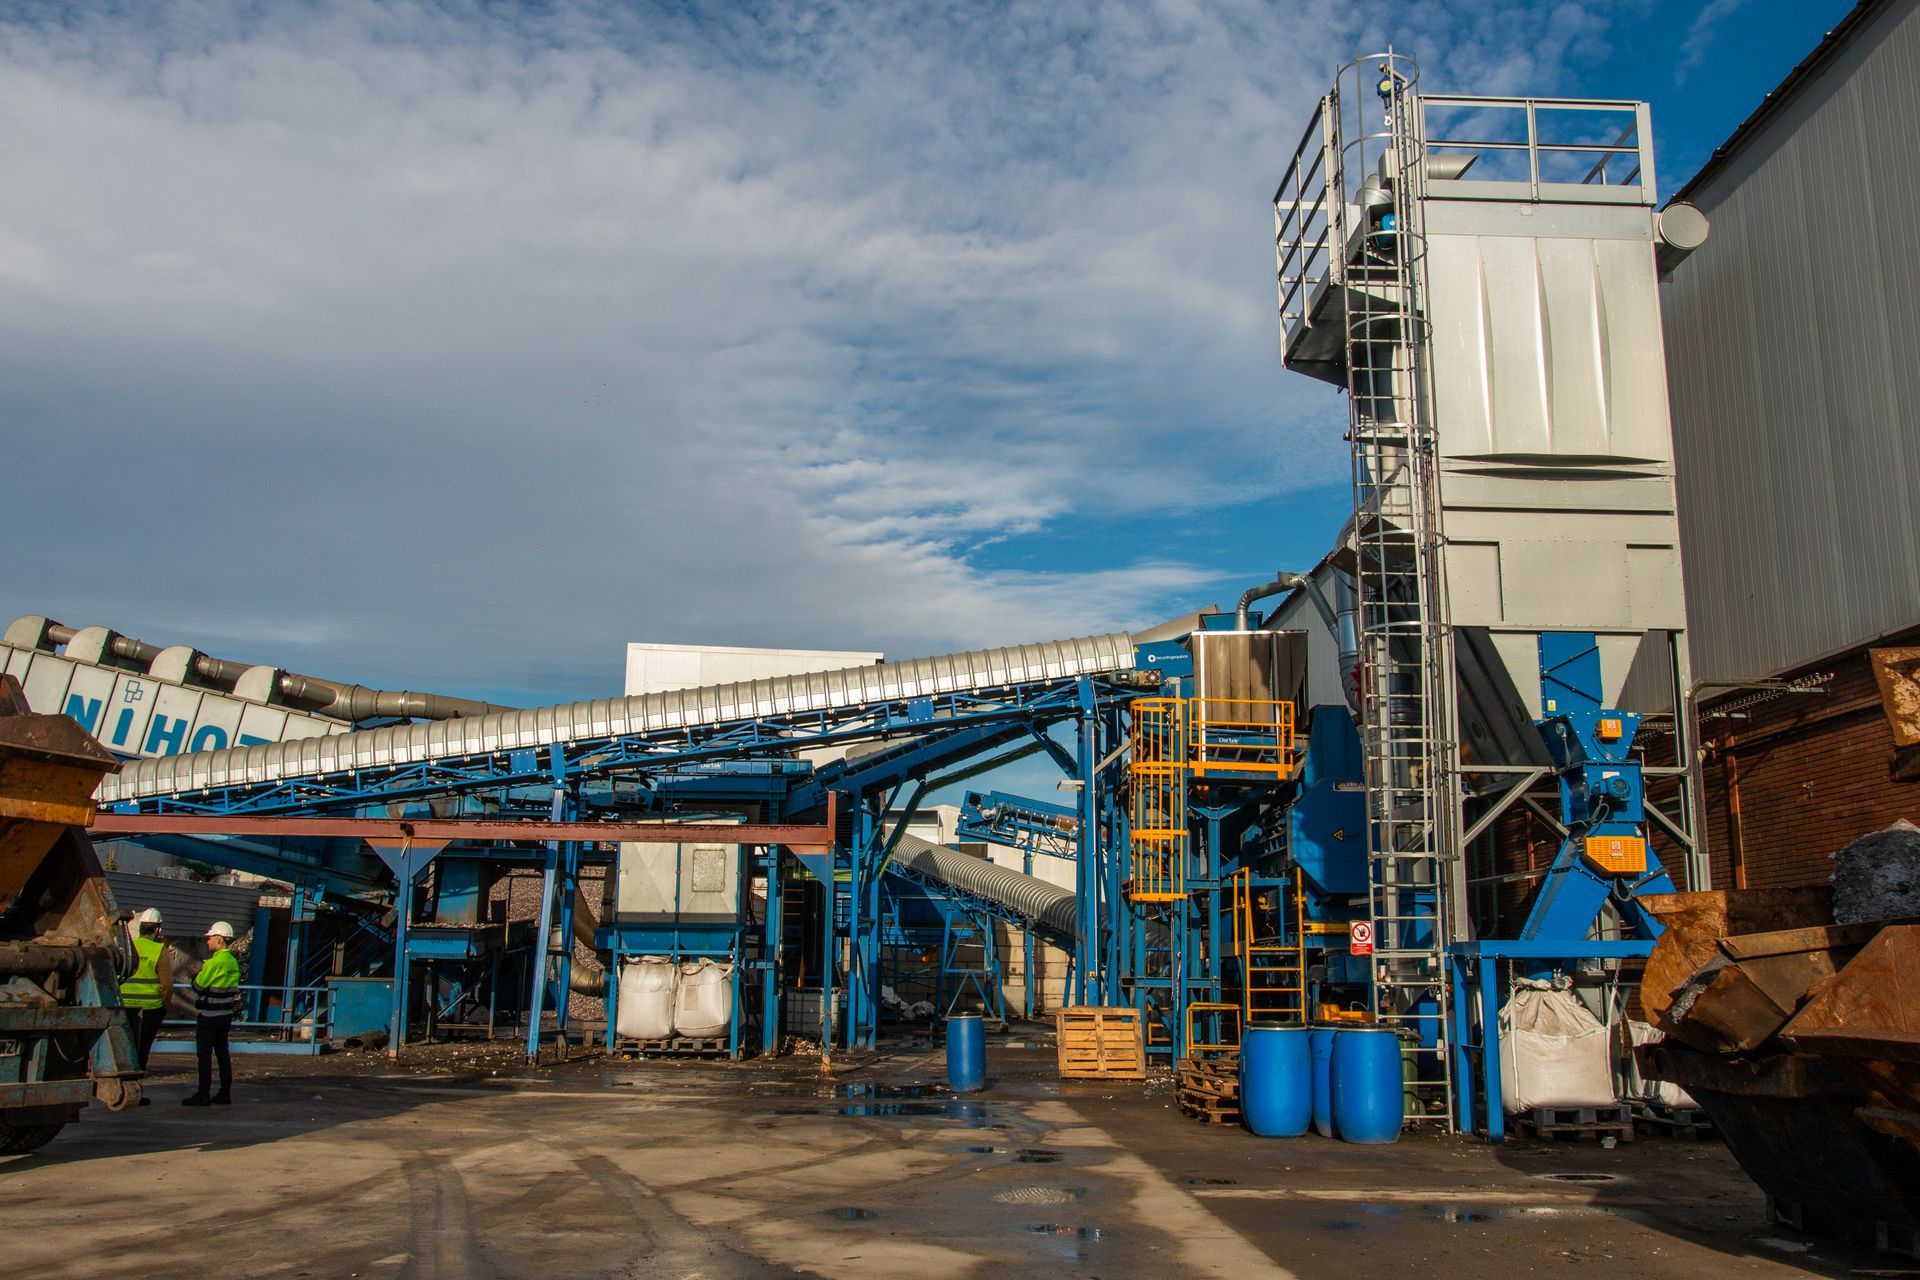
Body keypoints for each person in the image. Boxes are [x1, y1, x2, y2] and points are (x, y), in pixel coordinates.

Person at [183, 921, 241, 1107]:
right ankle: (225, 1092)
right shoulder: (232, 962)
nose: (207, 942)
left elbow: (198, 986)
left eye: (209, 939)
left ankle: (203, 1093)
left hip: (209, 1015)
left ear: (219, 939)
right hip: (225, 1015)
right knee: (223, 1053)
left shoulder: (214, 962)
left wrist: (195, 973)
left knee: (204, 1054)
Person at [122, 908, 174, 1097]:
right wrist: (164, 1005)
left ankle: (122, 1084)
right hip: (150, 1010)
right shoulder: (160, 951)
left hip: (124, 1007)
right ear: (158, 930)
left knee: (125, 1047)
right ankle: (135, 1090)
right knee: (141, 1050)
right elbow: (167, 984)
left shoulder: (128, 948)